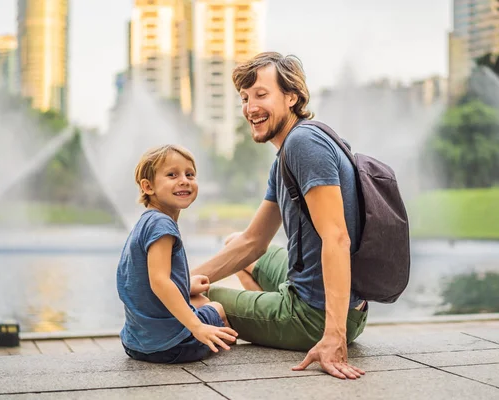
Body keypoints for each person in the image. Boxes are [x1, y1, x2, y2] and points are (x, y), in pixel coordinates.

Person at [191, 52, 367, 379]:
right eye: (245, 98)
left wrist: (334, 336)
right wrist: (180, 278)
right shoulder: (287, 153)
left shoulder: (304, 144)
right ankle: (268, 317)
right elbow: (253, 242)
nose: (250, 107)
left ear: (291, 97)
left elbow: (337, 238)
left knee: (198, 302)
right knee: (231, 245)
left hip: (316, 316)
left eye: (261, 95)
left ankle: (279, 322)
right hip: (329, 301)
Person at [117, 144, 238, 364]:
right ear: (148, 187)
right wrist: (197, 327)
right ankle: (220, 342)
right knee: (216, 307)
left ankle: (203, 331)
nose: (184, 180)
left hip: (136, 344)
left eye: (189, 174)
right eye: (172, 175)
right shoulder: (163, 225)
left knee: (197, 298)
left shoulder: (146, 222)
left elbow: (141, 280)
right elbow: (160, 282)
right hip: (173, 347)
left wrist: (186, 284)